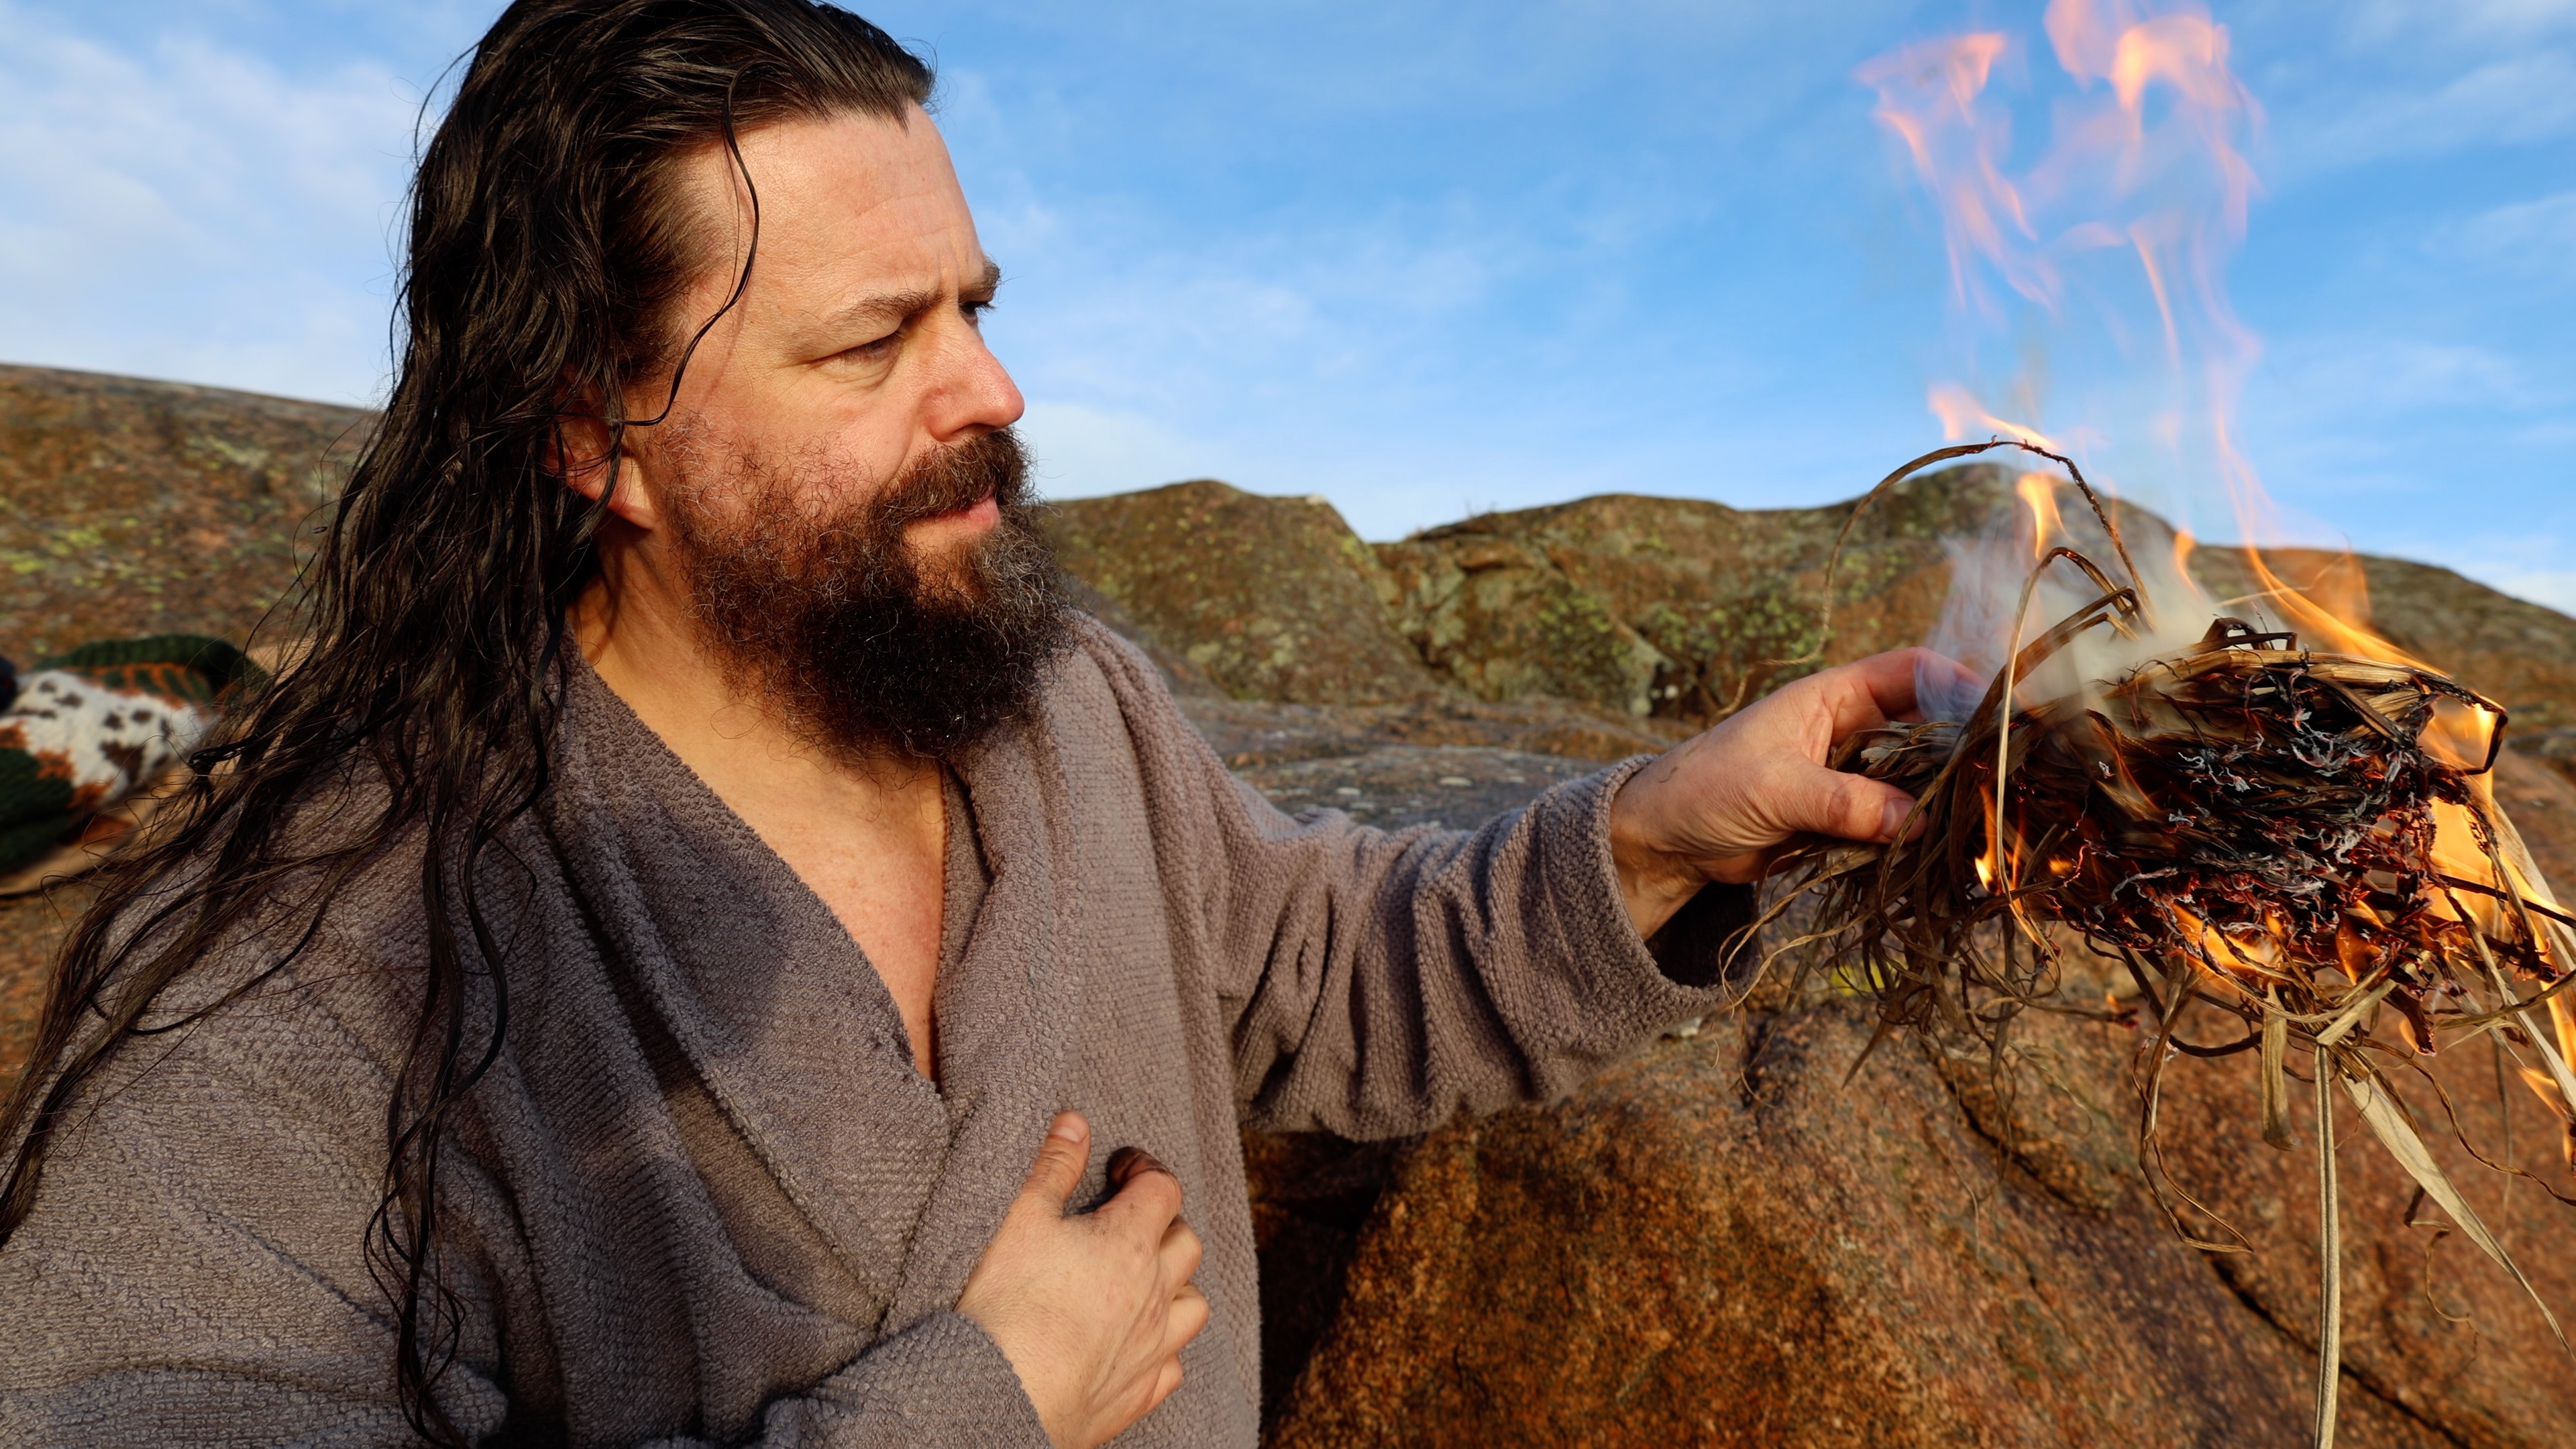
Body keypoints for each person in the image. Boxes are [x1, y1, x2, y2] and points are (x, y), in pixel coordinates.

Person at [0, 3, 1945, 1445]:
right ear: (599, 435)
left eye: (975, 308)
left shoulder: (1060, 706)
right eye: (876, 340)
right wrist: (974, 1410)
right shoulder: (329, 951)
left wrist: (1655, 834)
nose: (993, 392)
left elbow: (1315, 964)